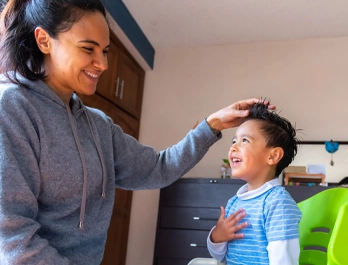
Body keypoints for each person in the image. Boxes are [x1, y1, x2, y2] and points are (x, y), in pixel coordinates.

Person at [0, 1, 275, 264]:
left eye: (105, 51)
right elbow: (11, 235)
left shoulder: (99, 126)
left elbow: (159, 168)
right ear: (44, 40)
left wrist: (212, 125)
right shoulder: (12, 108)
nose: (103, 64)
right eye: (88, 49)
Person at [207, 102, 302, 265]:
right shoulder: (234, 203)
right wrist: (217, 236)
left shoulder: (277, 202)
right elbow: (220, 257)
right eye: (233, 141)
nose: (233, 147)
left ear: (273, 156)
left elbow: (283, 259)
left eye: (244, 140)